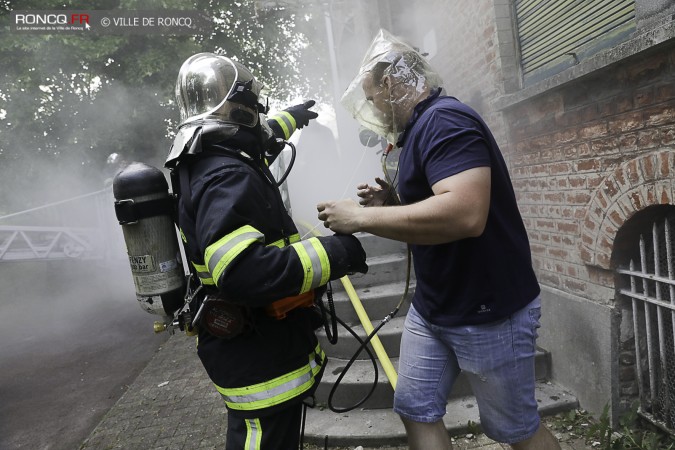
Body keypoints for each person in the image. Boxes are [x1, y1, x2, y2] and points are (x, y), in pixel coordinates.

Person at [316, 30, 561, 450]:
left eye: (373, 95)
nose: (373, 106)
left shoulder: (444, 120)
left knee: (513, 429)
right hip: (433, 308)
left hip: (488, 310)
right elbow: (437, 201)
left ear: (392, 83)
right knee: (414, 409)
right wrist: (390, 203)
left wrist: (360, 218)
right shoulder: (417, 130)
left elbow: (465, 213)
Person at [165, 52, 368, 450]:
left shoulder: (209, 156)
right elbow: (244, 272)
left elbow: (258, 144)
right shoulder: (226, 175)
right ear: (241, 108)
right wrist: (338, 253)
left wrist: (292, 117)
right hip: (259, 357)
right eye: (255, 107)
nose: (262, 116)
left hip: (255, 347)